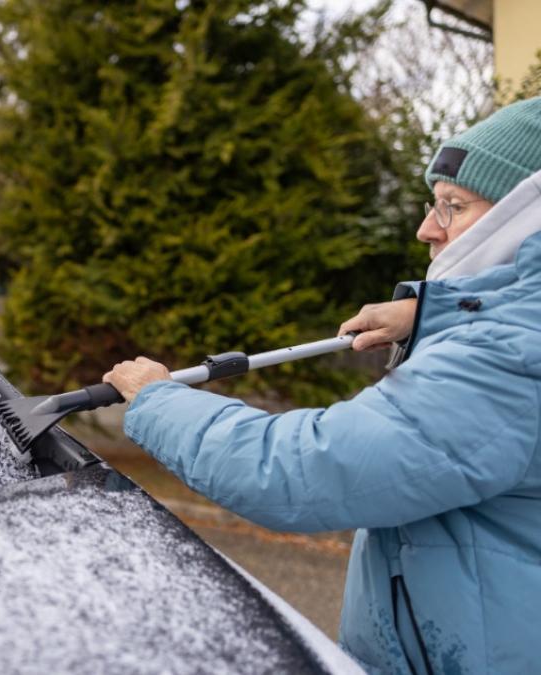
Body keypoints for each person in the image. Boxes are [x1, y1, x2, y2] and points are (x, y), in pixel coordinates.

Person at [103, 97, 541, 675]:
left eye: (453, 206)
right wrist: (429, 312)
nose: (426, 228)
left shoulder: (510, 354)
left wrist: (157, 402)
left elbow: (305, 470)